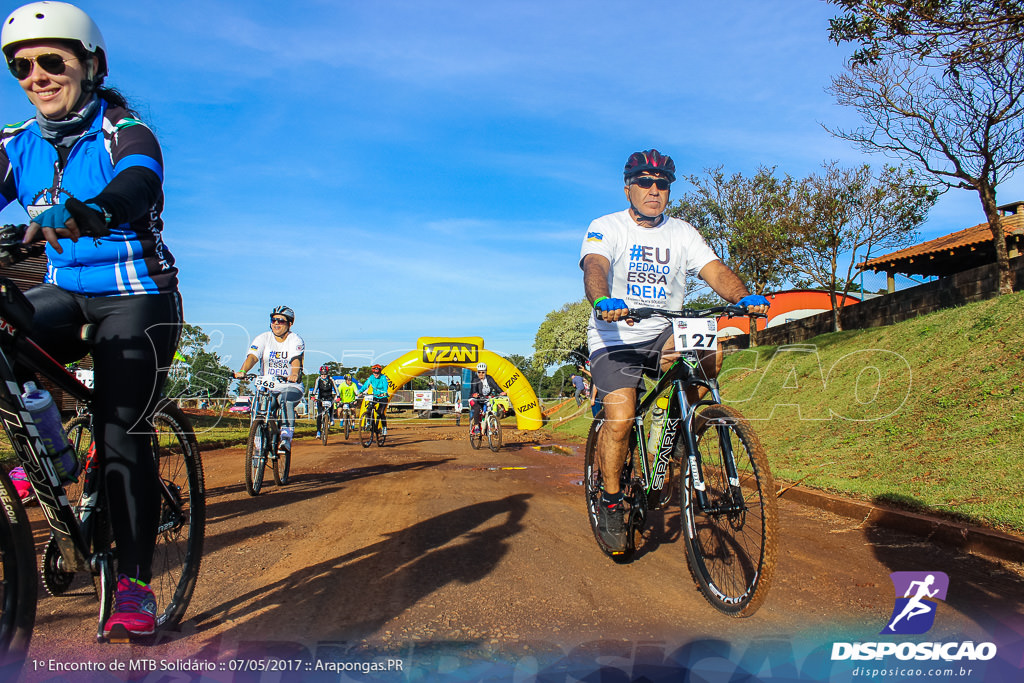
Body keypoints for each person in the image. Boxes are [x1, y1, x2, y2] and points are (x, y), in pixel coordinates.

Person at [0, 1, 184, 639]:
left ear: (92, 65)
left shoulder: (124, 129)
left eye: (53, 60)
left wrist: (96, 210)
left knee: (117, 431)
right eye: (20, 65)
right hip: (64, 294)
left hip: (137, 295)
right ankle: (49, 457)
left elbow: (138, 180)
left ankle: (134, 584)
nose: (36, 75)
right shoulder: (15, 145)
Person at [580, 148, 769, 552]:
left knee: (710, 351)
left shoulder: (682, 231)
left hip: (665, 328)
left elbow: (713, 269)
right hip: (615, 335)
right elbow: (595, 266)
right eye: (645, 183)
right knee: (622, 416)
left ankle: (684, 431)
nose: (654, 191)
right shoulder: (605, 226)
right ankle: (612, 500)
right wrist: (601, 301)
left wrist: (743, 295)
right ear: (628, 187)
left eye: (662, 184)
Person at [233, 306, 304, 452]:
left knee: (284, 400)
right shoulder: (263, 338)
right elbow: (253, 357)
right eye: (273, 320)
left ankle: (286, 438)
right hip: (267, 385)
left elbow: (295, 360)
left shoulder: (295, 340)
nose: (276, 323)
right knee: (260, 408)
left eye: (281, 321)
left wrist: (294, 374)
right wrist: (243, 371)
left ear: (290, 324)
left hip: (289, 385)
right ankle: (258, 443)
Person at [469, 362, 504, 435]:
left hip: (485, 398)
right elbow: (473, 389)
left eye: (483, 372)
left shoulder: (489, 378)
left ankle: (487, 426)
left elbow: (495, 386)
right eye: (479, 372)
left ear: (485, 372)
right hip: (474, 399)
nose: (481, 374)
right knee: (477, 408)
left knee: (489, 409)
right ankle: (476, 426)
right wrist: (474, 394)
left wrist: (501, 392)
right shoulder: (475, 380)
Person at [357, 364, 390, 435]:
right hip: (375, 396)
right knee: (369, 408)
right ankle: (369, 422)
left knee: (381, 412)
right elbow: (366, 385)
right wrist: (360, 392)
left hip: (383, 397)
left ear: (380, 372)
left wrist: (384, 393)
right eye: (374, 373)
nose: (376, 374)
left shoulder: (383, 377)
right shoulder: (371, 378)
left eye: (377, 373)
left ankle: (384, 427)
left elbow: (385, 386)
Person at [312, 364, 335, 438]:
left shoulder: (331, 379)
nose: (324, 376)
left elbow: (336, 388)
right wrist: (313, 396)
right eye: (322, 374)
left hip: (329, 397)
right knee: (319, 415)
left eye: (325, 374)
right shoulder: (318, 379)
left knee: (332, 404)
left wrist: (338, 396)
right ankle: (318, 431)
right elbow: (315, 389)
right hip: (320, 397)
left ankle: (331, 418)